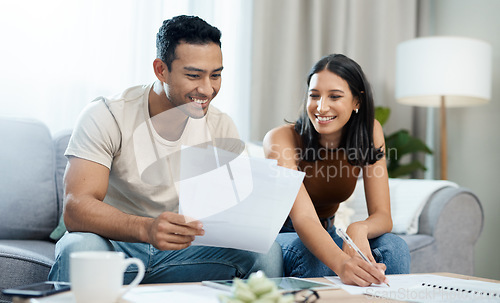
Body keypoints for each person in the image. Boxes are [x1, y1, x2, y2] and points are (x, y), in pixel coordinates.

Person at [48, 15, 282, 284]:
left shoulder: (221, 126)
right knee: (79, 249)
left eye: (216, 75)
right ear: (161, 70)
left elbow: (235, 213)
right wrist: (146, 228)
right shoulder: (107, 114)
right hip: (114, 246)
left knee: (267, 252)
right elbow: (76, 207)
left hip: (181, 252)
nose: (207, 89)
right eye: (194, 75)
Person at [263, 54, 410, 286]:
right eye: (314, 96)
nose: (321, 107)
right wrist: (342, 263)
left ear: (357, 101)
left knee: (395, 248)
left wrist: (358, 229)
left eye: (335, 96)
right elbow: (303, 218)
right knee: (313, 257)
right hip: (280, 236)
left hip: (328, 229)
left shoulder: (369, 132)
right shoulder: (281, 139)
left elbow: (383, 215)